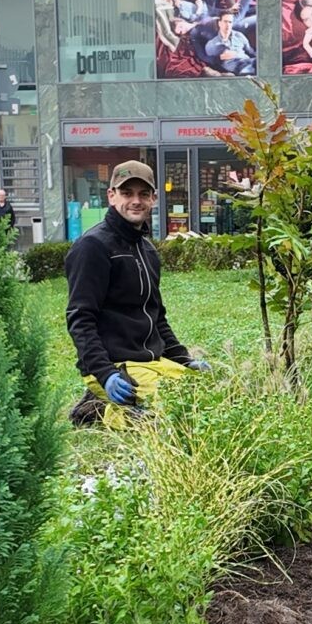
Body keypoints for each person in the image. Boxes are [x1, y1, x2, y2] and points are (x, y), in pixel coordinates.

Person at [64, 160, 209, 428]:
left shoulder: (148, 250)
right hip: (115, 365)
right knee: (176, 413)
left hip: (150, 361)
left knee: (203, 393)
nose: (136, 201)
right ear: (111, 196)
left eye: (143, 194)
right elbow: (80, 319)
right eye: (127, 193)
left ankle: (111, 405)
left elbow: (157, 318)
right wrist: (105, 374)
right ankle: (98, 408)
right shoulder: (92, 247)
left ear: (153, 198)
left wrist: (185, 361)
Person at [202, 10, 256, 76]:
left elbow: (250, 51)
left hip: (250, 62)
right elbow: (209, 61)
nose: (227, 25)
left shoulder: (239, 35)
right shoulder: (211, 44)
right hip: (238, 70)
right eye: (225, 22)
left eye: (230, 22)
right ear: (219, 23)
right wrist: (220, 58)